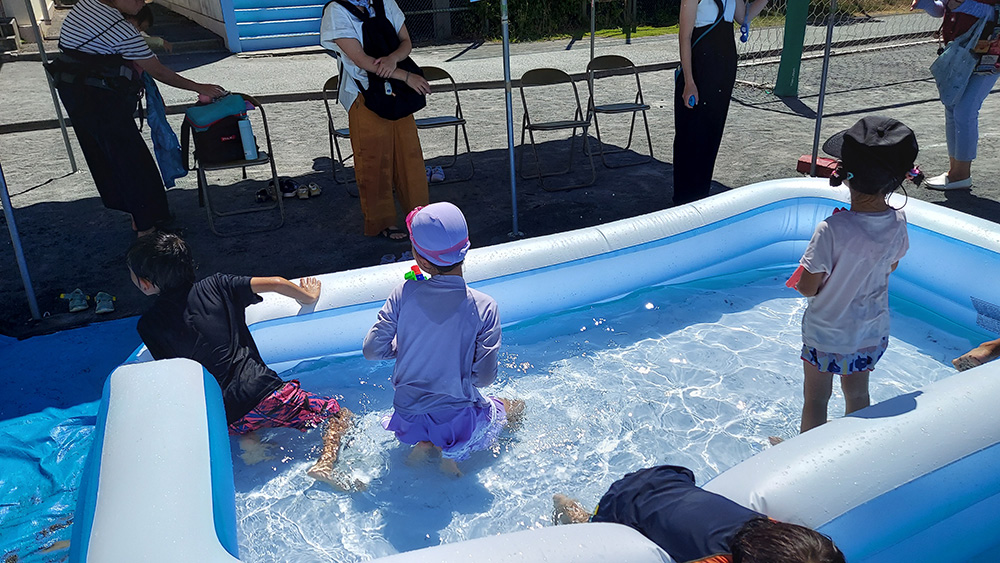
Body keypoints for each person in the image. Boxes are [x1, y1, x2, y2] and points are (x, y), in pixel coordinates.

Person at [126, 232, 360, 491]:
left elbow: (175, 374)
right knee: (337, 413)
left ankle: (251, 444)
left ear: (145, 283)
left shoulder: (147, 325)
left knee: (245, 419)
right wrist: (308, 297)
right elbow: (277, 283)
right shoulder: (217, 285)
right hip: (264, 392)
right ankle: (325, 465)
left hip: (226, 415)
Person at [362, 202, 523, 477]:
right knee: (516, 407)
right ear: (466, 249)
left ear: (420, 260)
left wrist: (405, 347)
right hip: (456, 420)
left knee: (428, 424)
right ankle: (451, 453)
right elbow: (484, 379)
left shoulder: (404, 292)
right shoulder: (484, 307)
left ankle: (424, 443)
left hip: (407, 416)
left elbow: (372, 350)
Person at [50, 0, 224, 237]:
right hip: (97, 98)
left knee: (111, 157)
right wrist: (198, 86)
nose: (142, 2)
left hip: (74, 89)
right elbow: (159, 71)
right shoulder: (118, 27)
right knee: (129, 161)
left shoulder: (86, 5)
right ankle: (146, 229)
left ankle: (144, 216)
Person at [789, 116, 914, 434]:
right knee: (858, 394)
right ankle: (854, 454)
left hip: (826, 334)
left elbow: (807, 288)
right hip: (869, 333)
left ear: (845, 176)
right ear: (896, 180)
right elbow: (891, 265)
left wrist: (809, 273)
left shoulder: (832, 229)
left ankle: (804, 461)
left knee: (816, 400)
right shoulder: (898, 222)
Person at [553, 464, 845, 563]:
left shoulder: (779, 535)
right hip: (624, 501)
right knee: (588, 526)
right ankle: (566, 506)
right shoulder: (716, 559)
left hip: (671, 478)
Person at [320, 0, 430, 241]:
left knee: (410, 158)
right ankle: (383, 222)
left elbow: (406, 42)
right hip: (364, 94)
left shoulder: (386, 2)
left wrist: (393, 59)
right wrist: (405, 75)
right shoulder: (335, 11)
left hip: (397, 93)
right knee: (374, 161)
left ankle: (421, 218)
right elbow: (361, 59)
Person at [673, 0, 768, 206]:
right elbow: (685, 36)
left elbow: (743, 17)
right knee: (692, 136)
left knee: (711, 134)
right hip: (700, 69)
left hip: (722, 68)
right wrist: (689, 81)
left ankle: (700, 196)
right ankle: (683, 200)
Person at [913, 0, 998, 190]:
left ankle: (961, 174)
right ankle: (955, 171)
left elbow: (993, 13)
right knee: (952, 106)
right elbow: (942, 9)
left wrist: (959, 5)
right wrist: (927, 4)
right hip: (963, 50)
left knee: (965, 109)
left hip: (990, 53)